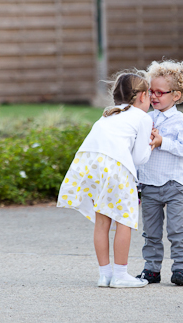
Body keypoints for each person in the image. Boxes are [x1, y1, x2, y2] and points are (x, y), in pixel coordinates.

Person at [57, 71, 154, 288]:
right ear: (142, 96)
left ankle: (105, 275)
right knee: (125, 221)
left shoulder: (109, 113)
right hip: (115, 167)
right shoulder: (142, 118)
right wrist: (152, 144)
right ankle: (121, 275)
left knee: (102, 222)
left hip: (89, 164)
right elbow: (139, 158)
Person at [136, 60, 183, 286]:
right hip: (149, 184)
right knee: (150, 231)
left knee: (176, 229)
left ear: (176, 95)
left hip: (174, 184)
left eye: (160, 92)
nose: (154, 96)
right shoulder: (146, 119)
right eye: (151, 91)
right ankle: (152, 268)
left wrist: (162, 142)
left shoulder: (181, 121)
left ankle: (180, 267)